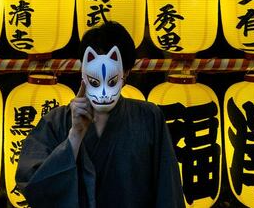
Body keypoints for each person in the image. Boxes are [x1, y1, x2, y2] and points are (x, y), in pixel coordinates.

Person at [15, 21, 185, 208]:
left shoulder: (148, 117)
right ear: (84, 71)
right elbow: (34, 188)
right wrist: (74, 137)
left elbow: (168, 192)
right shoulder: (55, 123)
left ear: (125, 73)